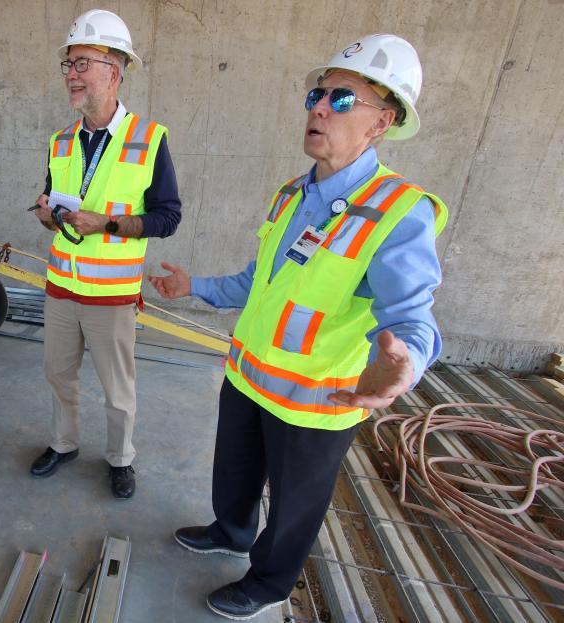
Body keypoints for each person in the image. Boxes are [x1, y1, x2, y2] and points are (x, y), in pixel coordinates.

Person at [149, 34, 447, 619]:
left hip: (317, 398)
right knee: (232, 471)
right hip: (250, 375)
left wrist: (403, 364)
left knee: (295, 506)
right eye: (319, 93)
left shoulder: (398, 211)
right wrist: (196, 288)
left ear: (381, 122)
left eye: (342, 100)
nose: (318, 107)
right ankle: (231, 530)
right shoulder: (292, 194)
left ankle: (268, 583)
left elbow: (413, 316)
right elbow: (259, 282)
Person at [29, 10, 182, 499]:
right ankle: (63, 443)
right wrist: (46, 213)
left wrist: (108, 223)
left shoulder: (149, 139)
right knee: (57, 374)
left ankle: (120, 459)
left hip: (111, 295)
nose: (72, 75)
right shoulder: (61, 142)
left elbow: (167, 217)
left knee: (118, 391)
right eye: (69, 65)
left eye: (82, 64)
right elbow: (51, 198)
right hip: (61, 287)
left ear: (114, 71)